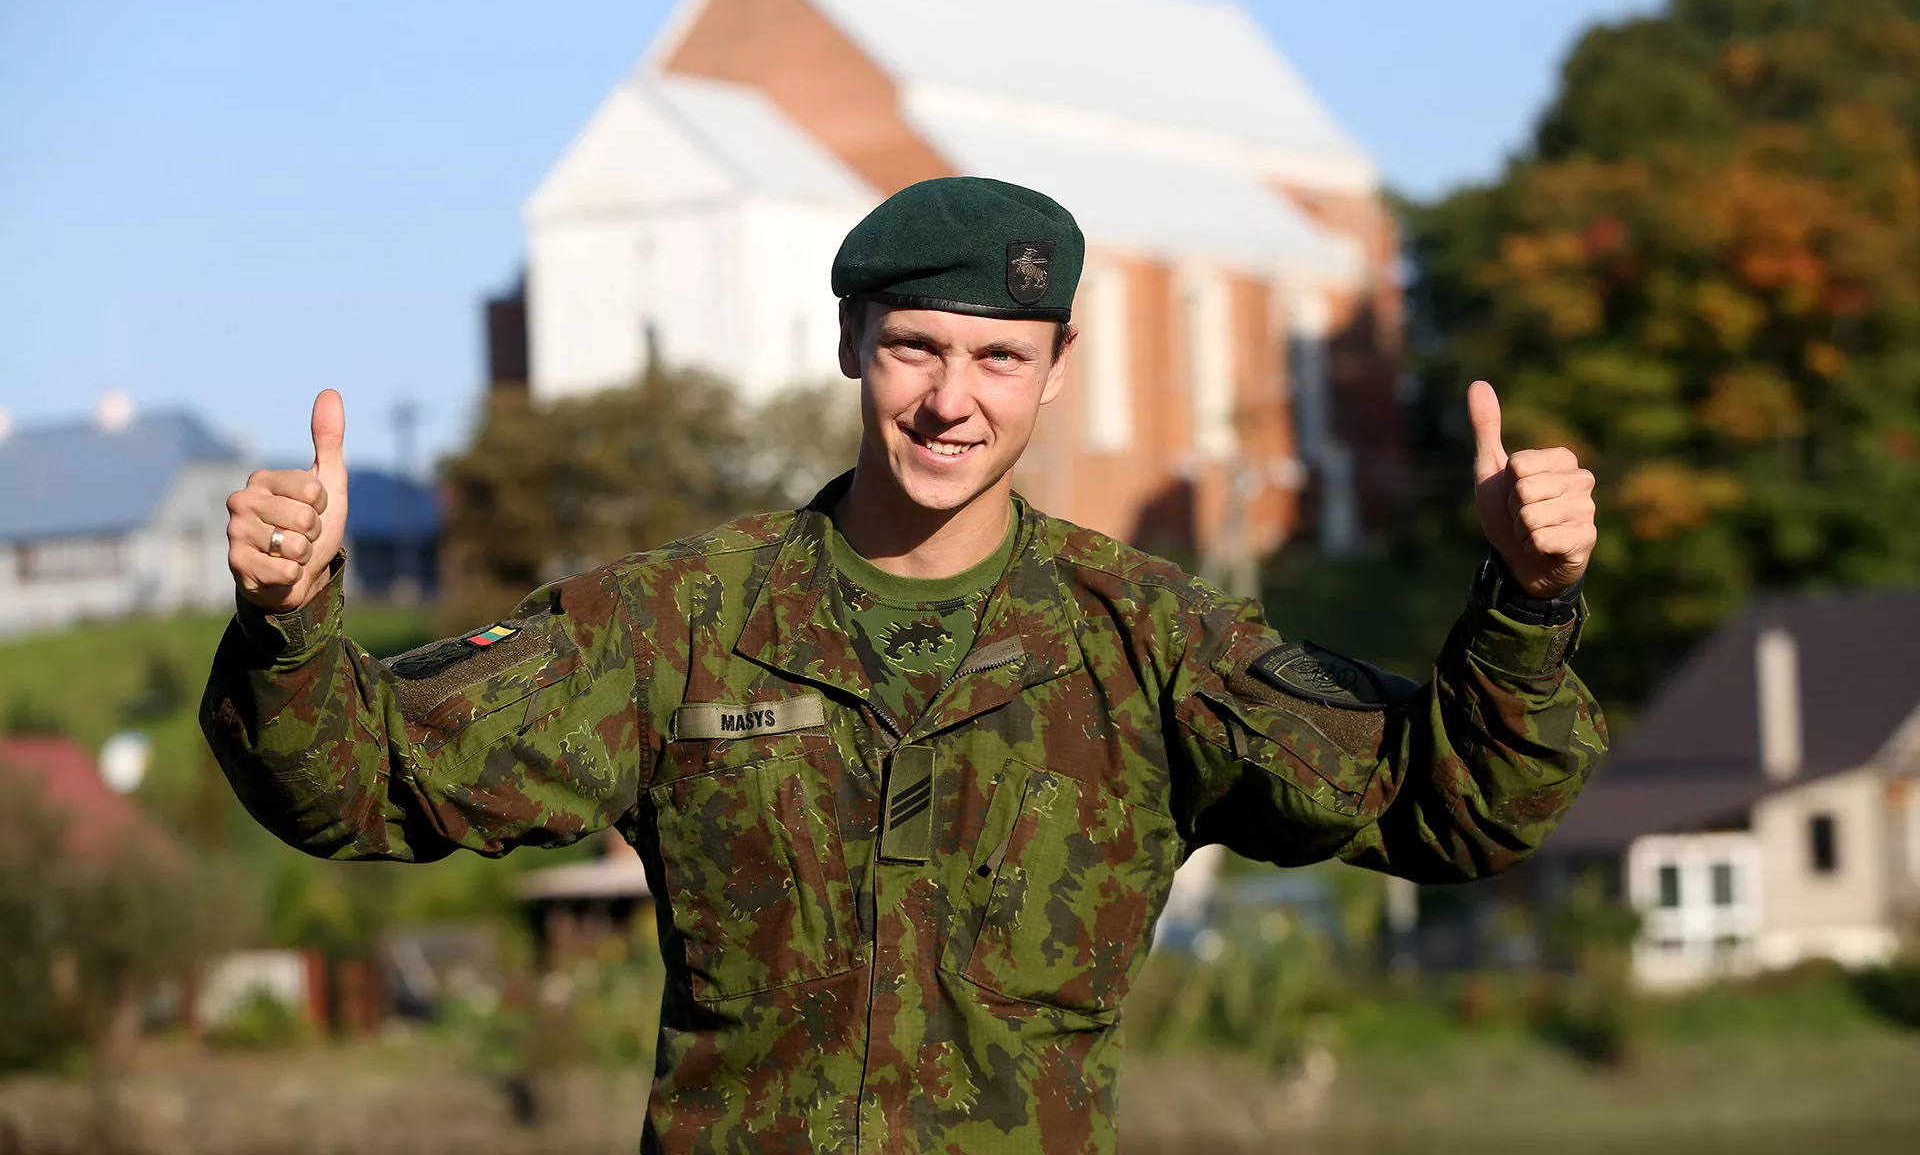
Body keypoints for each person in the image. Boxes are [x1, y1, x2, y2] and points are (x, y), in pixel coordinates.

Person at [202, 177, 1605, 1154]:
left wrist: (1527, 603)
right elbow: (360, 784)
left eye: (999, 358)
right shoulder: (674, 623)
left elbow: (1454, 806)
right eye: (916, 348)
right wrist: (294, 618)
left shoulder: (1152, 644)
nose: (952, 400)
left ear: (1057, 368)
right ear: (849, 347)